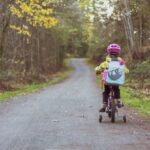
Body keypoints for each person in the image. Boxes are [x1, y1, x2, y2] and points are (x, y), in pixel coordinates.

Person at [95, 43, 129, 112]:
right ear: (118, 53)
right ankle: (118, 101)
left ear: (108, 53)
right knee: (116, 89)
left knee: (106, 91)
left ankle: (104, 104)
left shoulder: (106, 62)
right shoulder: (121, 63)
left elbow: (99, 68)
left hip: (107, 80)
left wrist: (97, 70)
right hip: (116, 80)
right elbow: (126, 70)